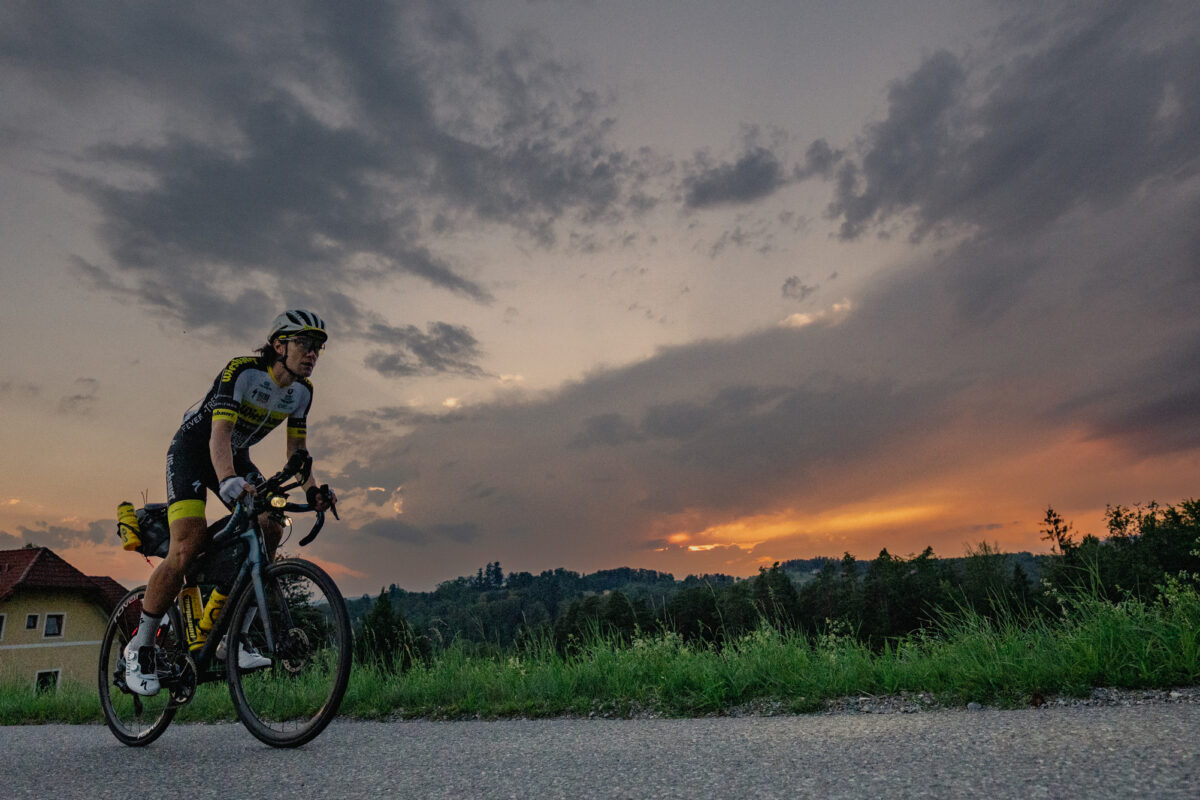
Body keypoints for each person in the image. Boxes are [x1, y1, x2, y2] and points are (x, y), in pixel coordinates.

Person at [123, 310, 338, 695]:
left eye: (319, 347)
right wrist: (226, 480)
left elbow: (298, 453)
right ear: (279, 344)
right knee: (187, 544)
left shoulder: (302, 393)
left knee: (272, 522)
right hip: (194, 449)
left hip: (235, 457)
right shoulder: (242, 372)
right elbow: (219, 435)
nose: (313, 354)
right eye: (305, 343)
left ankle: (232, 638)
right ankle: (140, 647)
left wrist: (313, 491)